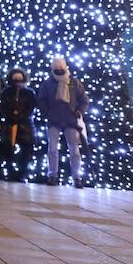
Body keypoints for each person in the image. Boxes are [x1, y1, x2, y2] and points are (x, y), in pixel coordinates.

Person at [35, 55, 88, 188]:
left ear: (65, 67)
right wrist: (47, 112)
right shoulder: (48, 83)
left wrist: (80, 111)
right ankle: (52, 175)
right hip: (54, 119)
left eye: (60, 67)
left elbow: (84, 100)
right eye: (56, 67)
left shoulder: (74, 83)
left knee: (74, 150)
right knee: (52, 149)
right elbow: (41, 99)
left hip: (71, 120)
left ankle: (77, 177)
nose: (58, 69)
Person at [0, 68, 37, 183]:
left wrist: (20, 117)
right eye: (15, 79)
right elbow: (3, 107)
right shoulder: (6, 92)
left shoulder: (29, 93)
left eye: (20, 79)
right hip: (9, 124)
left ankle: (22, 174)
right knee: (8, 149)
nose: (18, 82)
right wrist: (10, 116)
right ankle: (10, 173)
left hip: (25, 125)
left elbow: (31, 108)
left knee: (26, 150)